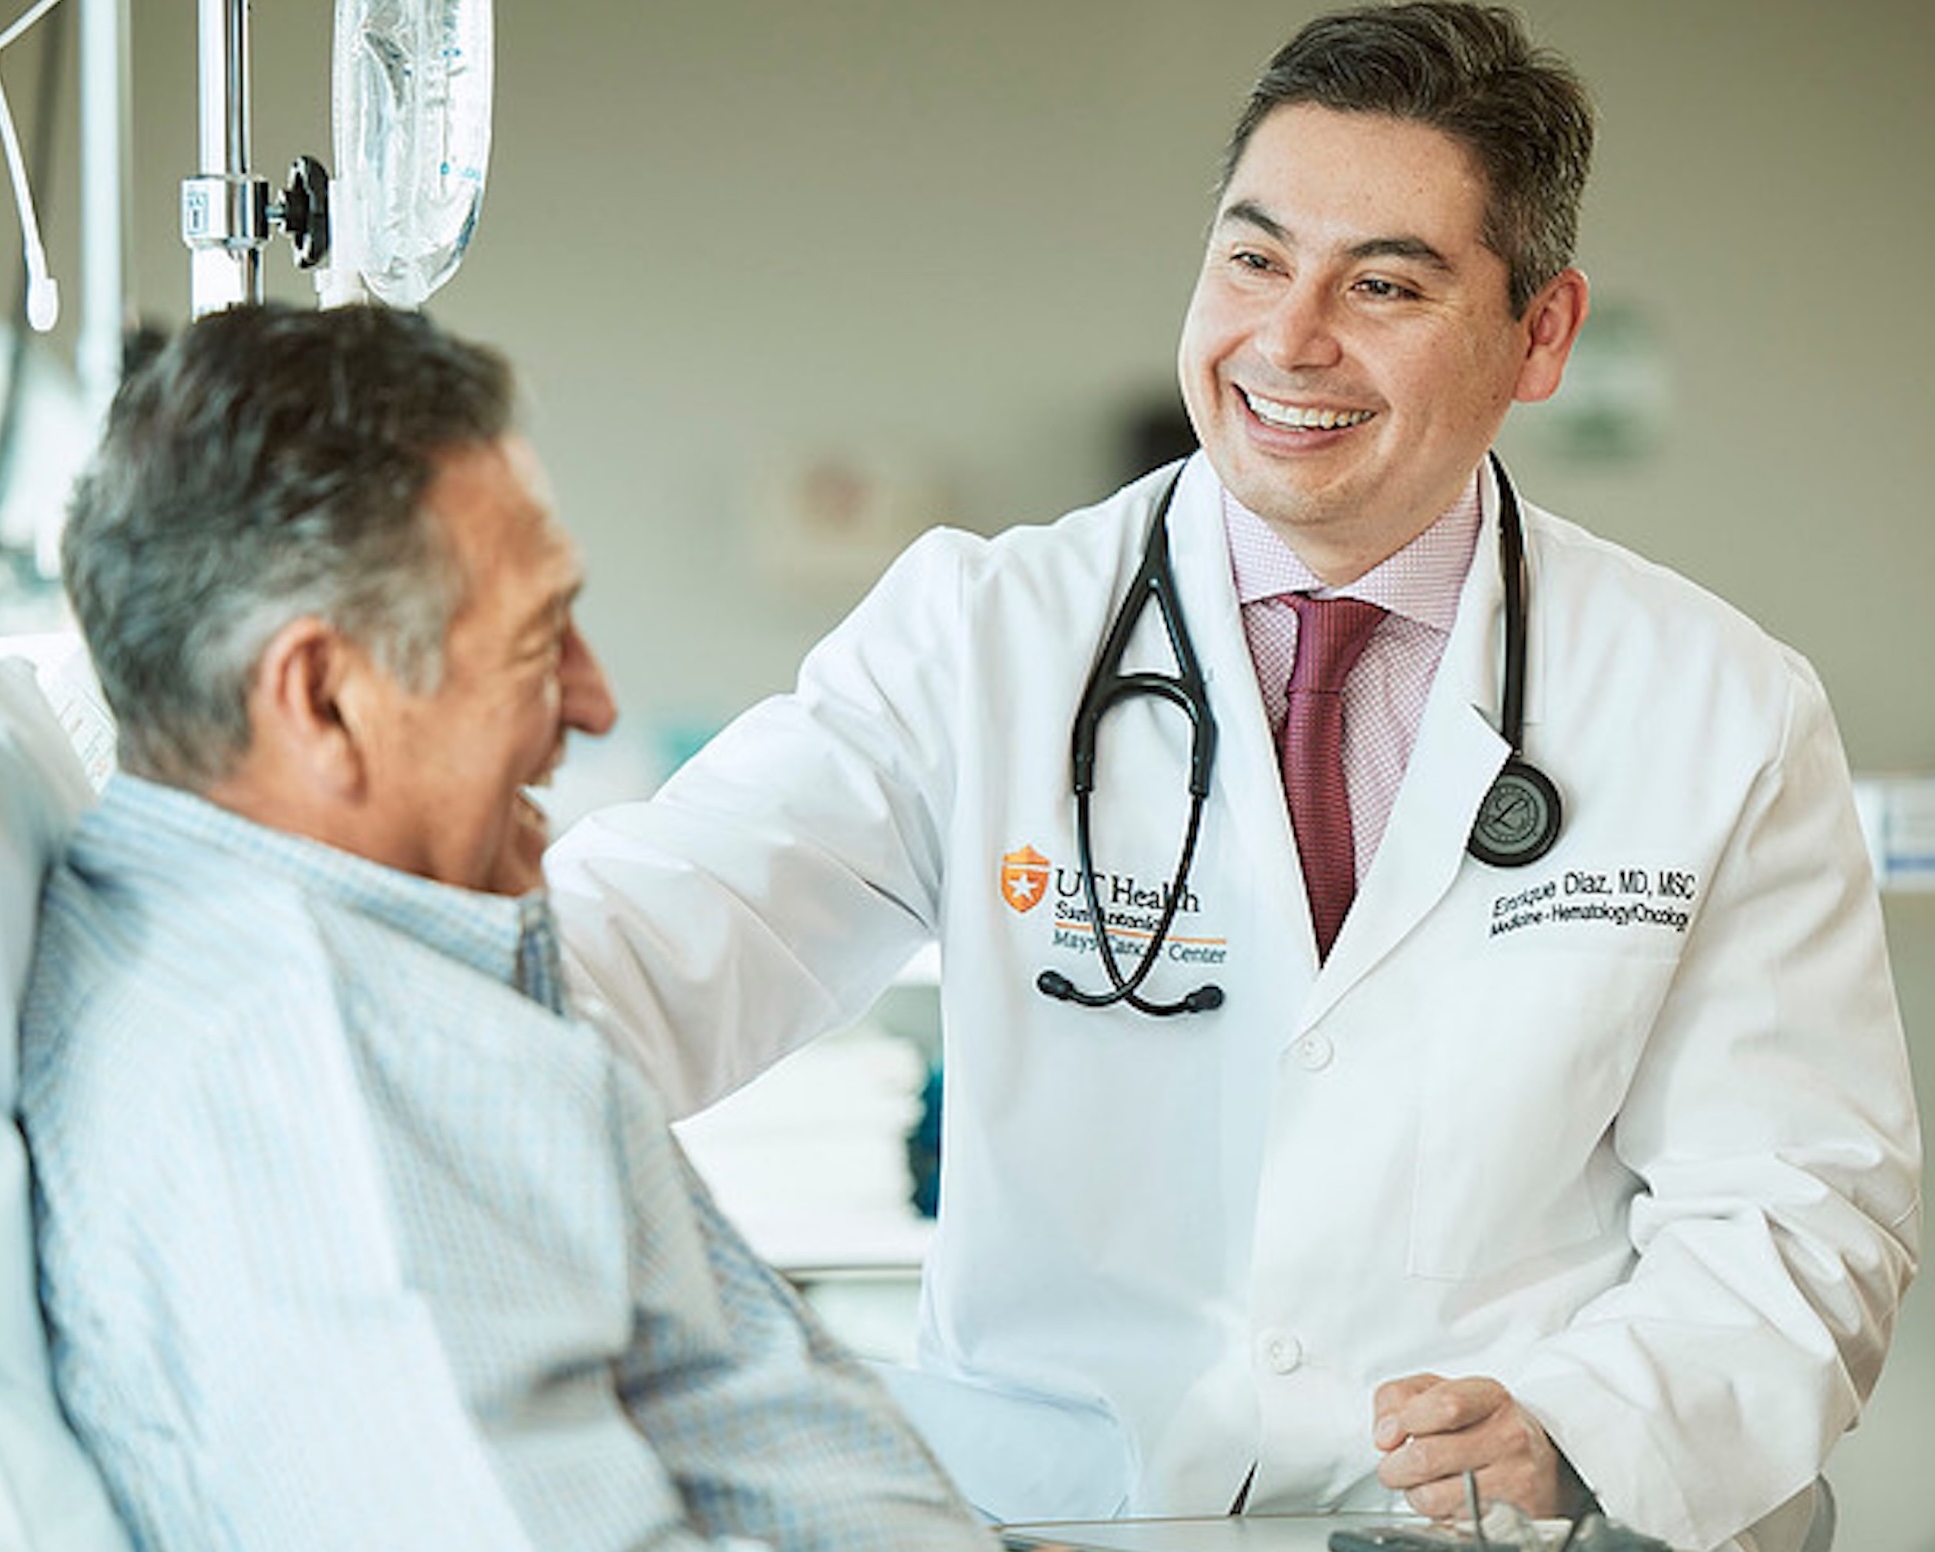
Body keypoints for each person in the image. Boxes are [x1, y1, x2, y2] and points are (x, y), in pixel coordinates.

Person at [545, 6, 1921, 1551]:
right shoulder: (980, 635)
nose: (1287, 338)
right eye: (1252, 259)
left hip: (1494, 1524)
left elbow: (1802, 1203)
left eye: (1383, 283)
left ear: (1540, 336)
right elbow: (673, 925)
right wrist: (379, 995)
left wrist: (1587, 1423)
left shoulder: (1713, 704)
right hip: (1078, 1511)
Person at [17, 303, 994, 1552]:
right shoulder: (314, 1093)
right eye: (539, 641)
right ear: (322, 700)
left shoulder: (380, 976)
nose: (590, 701)